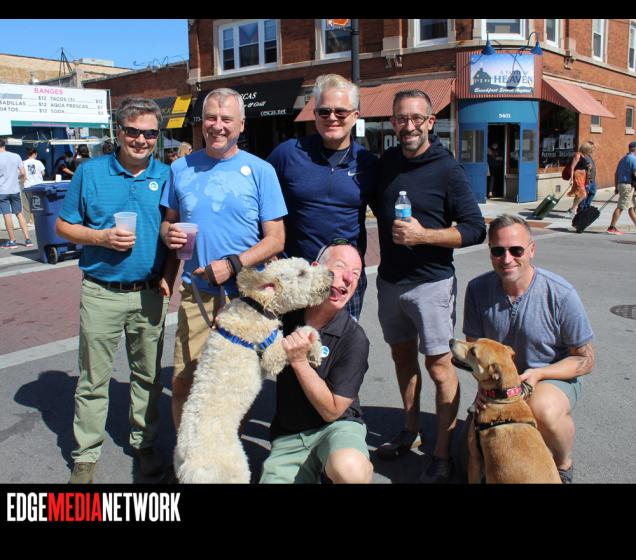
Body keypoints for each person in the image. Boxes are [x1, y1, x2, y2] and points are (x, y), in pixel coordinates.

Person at [56, 97, 176, 483]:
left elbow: (173, 234)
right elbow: (63, 226)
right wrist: (101, 237)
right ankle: (85, 455)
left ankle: (144, 443)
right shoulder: (90, 173)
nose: (141, 140)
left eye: (150, 134)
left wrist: (169, 275)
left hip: (149, 293)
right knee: (93, 379)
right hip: (101, 291)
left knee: (147, 376)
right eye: (134, 132)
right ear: (119, 132)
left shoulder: (167, 175)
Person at [370, 89, 486, 483]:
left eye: (416, 118)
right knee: (403, 360)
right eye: (401, 118)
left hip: (431, 285)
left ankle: (441, 453)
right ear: (393, 122)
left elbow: (475, 229)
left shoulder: (447, 169)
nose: (409, 126)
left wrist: (425, 236)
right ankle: (410, 430)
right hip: (390, 282)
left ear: (430, 121)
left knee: (439, 367)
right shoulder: (386, 163)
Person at [160, 87, 286, 431]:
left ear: (241, 125)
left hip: (246, 297)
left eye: (226, 119)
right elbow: (169, 222)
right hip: (197, 294)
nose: (218, 125)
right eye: (211, 118)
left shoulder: (261, 171)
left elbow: (276, 239)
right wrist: (167, 234)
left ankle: (225, 451)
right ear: (201, 122)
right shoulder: (180, 168)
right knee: (184, 383)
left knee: (234, 391)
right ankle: (186, 455)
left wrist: (232, 264)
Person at [463, 214, 596, 483]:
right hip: (502, 384)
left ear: (532, 250)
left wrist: (540, 374)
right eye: (498, 251)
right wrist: (483, 390)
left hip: (550, 377)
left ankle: (562, 465)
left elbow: (586, 360)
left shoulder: (560, 293)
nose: (507, 259)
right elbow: (473, 350)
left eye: (516, 250)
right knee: (466, 456)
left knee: (541, 408)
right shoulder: (477, 289)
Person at [267, 74, 379, 321]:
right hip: (295, 277)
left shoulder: (368, 163)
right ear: (315, 114)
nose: (332, 118)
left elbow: (388, 212)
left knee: (340, 344)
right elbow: (259, 204)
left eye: (341, 112)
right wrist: (267, 251)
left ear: (355, 116)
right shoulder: (287, 154)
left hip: (343, 279)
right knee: (289, 343)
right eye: (324, 111)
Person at [260, 241, 373, 484]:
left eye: (355, 274)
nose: (348, 278)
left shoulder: (354, 338)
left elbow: (332, 411)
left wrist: (300, 361)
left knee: (350, 470)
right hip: (290, 435)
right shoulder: (286, 313)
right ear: (315, 269)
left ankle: (332, 471)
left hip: (337, 427)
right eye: (339, 267)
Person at [0, 138, 32, 249]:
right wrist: (15, 178)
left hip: (2, 191)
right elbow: (23, 173)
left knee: (7, 214)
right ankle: (28, 240)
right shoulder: (16, 156)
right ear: (4, 145)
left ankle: (12, 241)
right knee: (19, 213)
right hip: (15, 189)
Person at [607, 141, 636, 235]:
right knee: (620, 207)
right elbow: (635, 173)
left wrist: (616, 187)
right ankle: (611, 227)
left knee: (631, 208)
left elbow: (616, 174)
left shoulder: (623, 159)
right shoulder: (633, 159)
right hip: (627, 186)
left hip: (621, 184)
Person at [565, 142, 594, 217]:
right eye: (589, 150)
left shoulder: (583, 156)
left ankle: (573, 210)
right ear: (586, 149)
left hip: (583, 176)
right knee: (583, 194)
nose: (590, 152)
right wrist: (571, 179)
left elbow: (581, 165)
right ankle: (572, 208)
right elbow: (572, 167)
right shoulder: (577, 155)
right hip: (578, 176)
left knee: (578, 194)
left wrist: (588, 166)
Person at [21, 148, 46, 226]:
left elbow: (22, 174)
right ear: (35, 154)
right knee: (40, 203)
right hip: (38, 185)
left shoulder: (23, 163)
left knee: (31, 203)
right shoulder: (38, 162)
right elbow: (43, 173)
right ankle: (41, 219)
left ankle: (32, 221)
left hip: (28, 185)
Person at [578, 141, 597, 211]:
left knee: (593, 192)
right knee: (584, 194)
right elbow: (580, 167)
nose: (593, 149)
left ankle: (586, 206)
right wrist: (587, 167)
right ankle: (581, 208)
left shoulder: (589, 156)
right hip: (587, 179)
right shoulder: (583, 156)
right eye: (592, 148)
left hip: (592, 179)